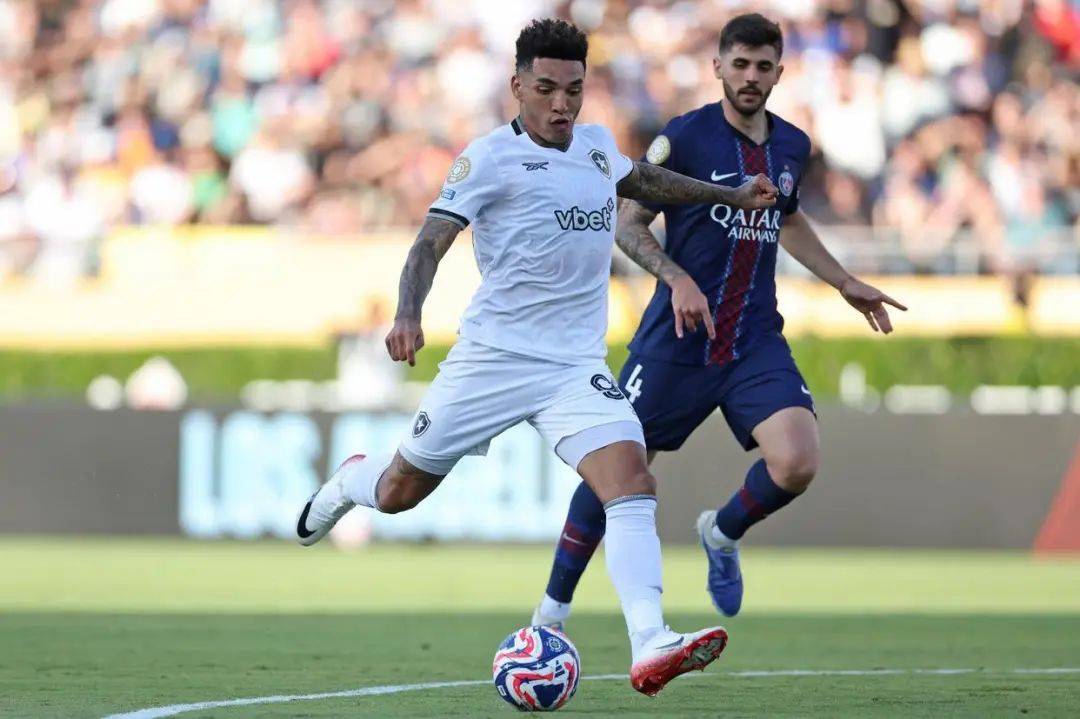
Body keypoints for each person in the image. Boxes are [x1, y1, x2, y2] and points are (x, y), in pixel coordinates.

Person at [294, 18, 778, 696]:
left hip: (574, 367)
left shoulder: (596, 147)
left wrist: (729, 195)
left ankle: (650, 642)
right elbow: (429, 243)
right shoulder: (488, 158)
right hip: (492, 359)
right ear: (518, 86)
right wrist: (407, 312)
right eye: (546, 88)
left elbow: (646, 180)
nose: (561, 103)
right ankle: (352, 481)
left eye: (573, 89)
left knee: (631, 481)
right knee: (398, 492)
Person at [531, 13, 907, 629]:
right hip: (676, 341)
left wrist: (843, 281)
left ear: (780, 72)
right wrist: (677, 277)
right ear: (718, 68)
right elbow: (629, 224)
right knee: (615, 469)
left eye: (763, 66)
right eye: (740, 64)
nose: (750, 77)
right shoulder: (686, 138)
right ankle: (551, 612)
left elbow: (787, 217)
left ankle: (722, 532)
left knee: (797, 462)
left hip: (753, 339)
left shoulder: (792, 145)